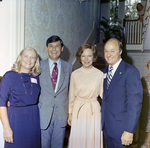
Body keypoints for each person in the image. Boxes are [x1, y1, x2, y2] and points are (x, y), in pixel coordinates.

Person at [101, 38, 143, 148]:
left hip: (122, 130)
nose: (108, 54)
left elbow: (135, 104)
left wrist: (129, 130)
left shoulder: (130, 71)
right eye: (106, 51)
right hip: (107, 127)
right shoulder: (105, 71)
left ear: (120, 51)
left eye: (112, 51)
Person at [0, 47, 41, 148]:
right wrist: (6, 128)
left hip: (33, 120)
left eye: (32, 57)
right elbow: (1, 103)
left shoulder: (36, 77)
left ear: (36, 61)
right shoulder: (9, 76)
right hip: (16, 120)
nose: (29, 59)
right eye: (26, 56)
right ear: (20, 57)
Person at [38, 35, 73, 148]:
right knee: (43, 145)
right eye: (51, 46)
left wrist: (70, 113)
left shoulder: (69, 67)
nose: (54, 49)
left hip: (61, 114)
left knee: (58, 145)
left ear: (62, 48)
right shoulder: (38, 66)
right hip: (43, 114)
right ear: (47, 48)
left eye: (57, 46)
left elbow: (72, 91)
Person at [68, 43, 103, 148]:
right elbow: (71, 96)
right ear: (79, 57)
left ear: (94, 57)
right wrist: (70, 113)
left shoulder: (99, 74)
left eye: (89, 55)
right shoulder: (75, 74)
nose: (86, 59)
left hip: (94, 110)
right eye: (83, 56)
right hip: (78, 109)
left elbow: (105, 96)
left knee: (93, 139)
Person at [140, 60, 150, 148]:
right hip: (147, 104)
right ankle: (147, 143)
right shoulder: (144, 78)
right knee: (147, 125)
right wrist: (146, 91)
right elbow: (140, 91)